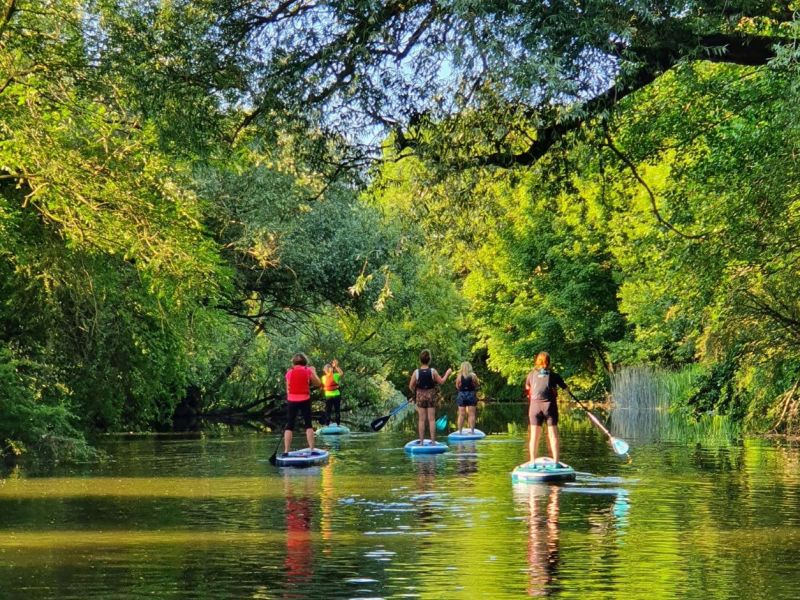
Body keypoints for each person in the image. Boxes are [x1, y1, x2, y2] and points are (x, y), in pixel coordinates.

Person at [525, 351, 570, 467]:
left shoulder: (531, 374)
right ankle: (555, 462)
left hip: (534, 408)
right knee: (553, 435)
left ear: (537, 362)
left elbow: (527, 387)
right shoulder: (554, 376)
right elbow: (566, 388)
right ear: (549, 363)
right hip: (549, 407)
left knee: (534, 436)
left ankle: (532, 462)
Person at [408, 349, 452, 444]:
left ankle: (422, 443)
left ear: (420, 360)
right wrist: (448, 373)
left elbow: (411, 386)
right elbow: (442, 381)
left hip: (420, 396)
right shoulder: (433, 371)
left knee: (421, 419)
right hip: (431, 396)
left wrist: (415, 393)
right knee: (431, 419)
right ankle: (432, 442)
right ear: (429, 360)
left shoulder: (416, 372)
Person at [283, 353, 322, 455]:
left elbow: (288, 389)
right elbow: (318, 383)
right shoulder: (308, 370)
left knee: (289, 426)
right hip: (305, 399)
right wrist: (314, 372)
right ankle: (312, 449)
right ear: (305, 362)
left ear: (294, 362)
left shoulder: (289, 373)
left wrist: (290, 399)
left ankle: (286, 451)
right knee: (308, 425)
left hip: (292, 400)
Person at [455, 361, 480, 433]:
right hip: (471, 395)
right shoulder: (473, 375)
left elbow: (457, 386)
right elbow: (477, 384)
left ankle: (460, 431)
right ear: (470, 367)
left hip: (462, 395)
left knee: (461, 414)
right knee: (471, 414)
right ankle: (472, 431)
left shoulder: (459, 376)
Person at [321, 359, 344, 426]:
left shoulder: (323, 378)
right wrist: (336, 366)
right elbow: (341, 373)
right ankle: (338, 424)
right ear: (331, 370)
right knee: (337, 410)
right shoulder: (335, 376)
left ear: (325, 370)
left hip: (328, 396)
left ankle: (327, 425)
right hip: (336, 395)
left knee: (328, 411)